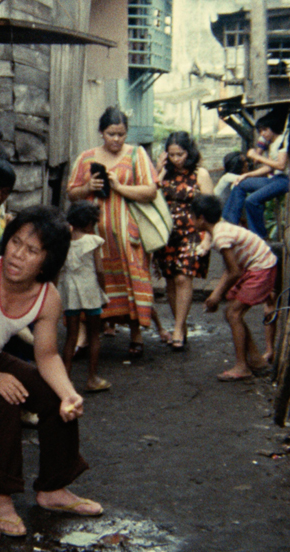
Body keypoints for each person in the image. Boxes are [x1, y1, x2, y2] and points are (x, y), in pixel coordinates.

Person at [0, 207, 102, 538]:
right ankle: (0, 497)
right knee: (5, 401)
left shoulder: (48, 297)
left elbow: (47, 355)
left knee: (53, 397)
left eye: (32, 250)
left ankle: (53, 488)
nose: (18, 255)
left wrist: (68, 393)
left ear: (47, 260)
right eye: (16, 242)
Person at [67, 106, 158, 358]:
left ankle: (136, 335)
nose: (116, 139)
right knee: (91, 279)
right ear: (101, 132)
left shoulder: (137, 154)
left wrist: (119, 187)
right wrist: (88, 186)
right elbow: (72, 193)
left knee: (132, 278)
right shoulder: (86, 158)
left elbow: (151, 191)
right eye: (111, 134)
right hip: (92, 234)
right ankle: (86, 336)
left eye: (121, 134)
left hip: (128, 234)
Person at [192, 194, 278, 381]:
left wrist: (216, 295)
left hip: (261, 267)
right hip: (254, 266)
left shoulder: (221, 237)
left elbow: (234, 272)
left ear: (201, 218)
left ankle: (242, 367)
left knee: (233, 313)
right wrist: (216, 295)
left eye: (193, 217)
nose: (191, 221)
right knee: (232, 312)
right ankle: (256, 360)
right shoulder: (221, 229)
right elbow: (231, 268)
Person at [153, 131, 214, 351]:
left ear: (189, 152)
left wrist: (208, 239)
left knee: (183, 278)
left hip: (193, 231)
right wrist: (159, 169)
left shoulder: (200, 174)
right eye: (171, 155)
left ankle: (178, 328)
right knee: (170, 280)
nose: (176, 159)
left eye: (180, 154)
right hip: (167, 232)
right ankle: (180, 324)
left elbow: (211, 209)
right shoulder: (164, 173)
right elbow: (150, 193)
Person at [59, 202, 110, 393]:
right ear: (89, 223)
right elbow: (99, 270)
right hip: (90, 292)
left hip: (70, 292)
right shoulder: (93, 241)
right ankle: (92, 378)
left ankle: (65, 380)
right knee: (94, 334)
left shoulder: (64, 241)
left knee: (71, 336)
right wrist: (103, 292)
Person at [221, 112, 289, 239]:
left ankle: (259, 237)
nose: (262, 134)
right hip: (274, 179)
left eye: (265, 130)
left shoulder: (282, 140)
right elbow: (269, 167)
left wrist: (257, 156)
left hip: (284, 180)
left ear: (273, 127)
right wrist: (247, 175)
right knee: (240, 184)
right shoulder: (272, 143)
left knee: (252, 200)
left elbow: (281, 165)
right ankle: (230, 223)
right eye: (260, 131)